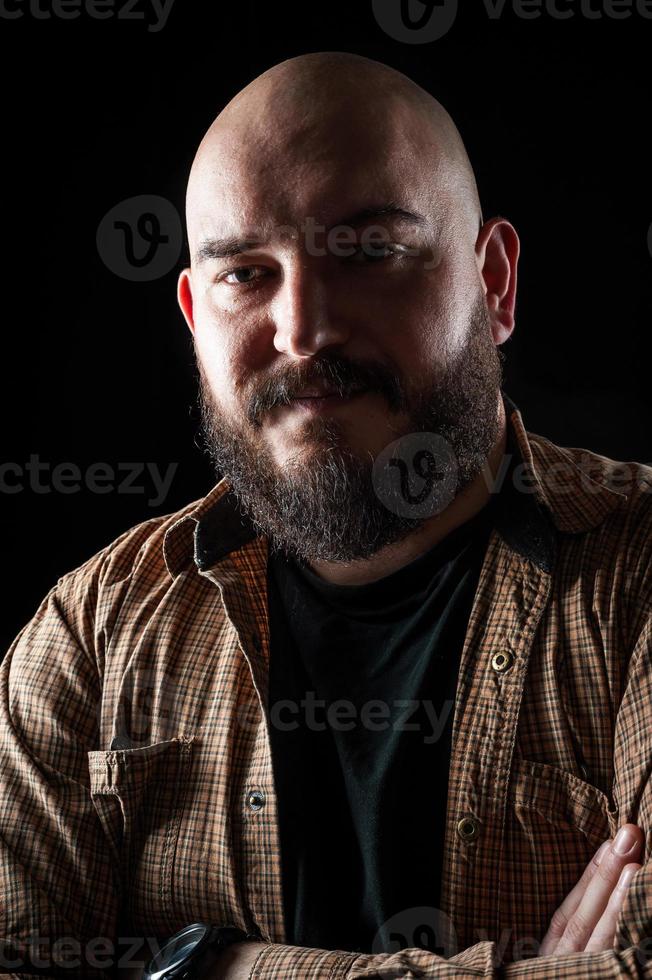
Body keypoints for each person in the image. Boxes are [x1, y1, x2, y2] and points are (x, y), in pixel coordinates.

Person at [0, 51, 650, 980]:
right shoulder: (91, 634)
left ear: (494, 283)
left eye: (370, 251)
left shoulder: (639, 583)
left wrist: (203, 969)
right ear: (193, 315)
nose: (302, 329)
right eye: (245, 275)